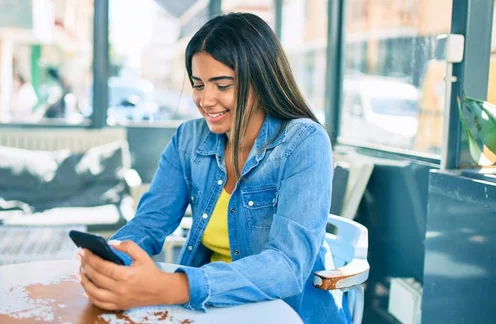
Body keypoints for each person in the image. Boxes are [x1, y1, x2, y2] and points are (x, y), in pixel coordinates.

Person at [77, 13, 349, 323]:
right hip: (212, 311)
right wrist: (113, 260)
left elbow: (287, 266)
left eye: (222, 85)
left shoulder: (304, 142)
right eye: (198, 85)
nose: (206, 100)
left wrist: (172, 287)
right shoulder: (188, 140)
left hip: (287, 313)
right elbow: (151, 221)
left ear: (261, 79)